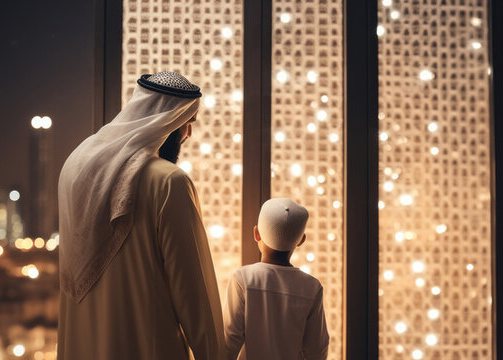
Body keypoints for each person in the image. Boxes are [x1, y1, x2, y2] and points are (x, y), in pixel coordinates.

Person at [56, 72, 225, 359]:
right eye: (188, 123)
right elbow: (194, 296)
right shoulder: (169, 182)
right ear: (171, 120)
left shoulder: (74, 169)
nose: (189, 134)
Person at [223, 198, 329, 360]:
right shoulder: (312, 287)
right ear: (301, 240)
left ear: (256, 233)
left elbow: (227, 344)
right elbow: (317, 351)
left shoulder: (243, 279)